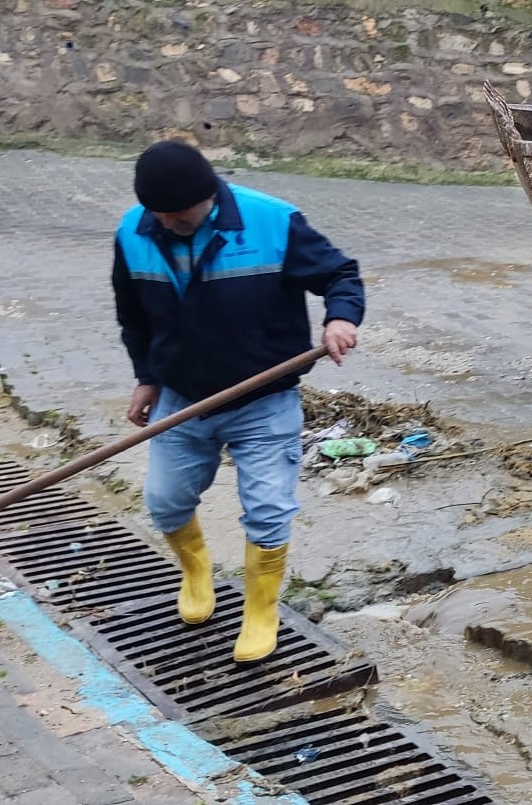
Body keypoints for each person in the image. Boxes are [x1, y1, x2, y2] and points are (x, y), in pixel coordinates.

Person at [112, 141, 364, 663]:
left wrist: (341, 317)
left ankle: (260, 612)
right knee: (165, 502)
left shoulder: (273, 222)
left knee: (268, 511)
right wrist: (146, 379)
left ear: (209, 195)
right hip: (182, 400)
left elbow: (340, 274)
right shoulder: (133, 233)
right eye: (160, 213)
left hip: (264, 400)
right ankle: (197, 571)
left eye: (178, 212)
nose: (168, 220)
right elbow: (134, 317)